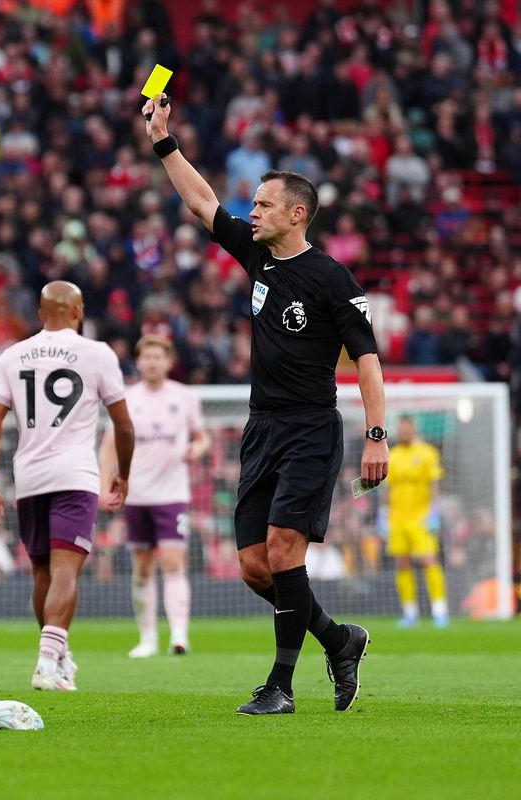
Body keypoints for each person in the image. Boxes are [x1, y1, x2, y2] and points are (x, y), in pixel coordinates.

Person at [143, 93, 388, 715]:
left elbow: (367, 359)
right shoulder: (256, 256)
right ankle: (339, 638)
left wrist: (377, 436)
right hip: (262, 428)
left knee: (283, 551)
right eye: (251, 203)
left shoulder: (333, 279)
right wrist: (163, 140)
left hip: (310, 427)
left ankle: (279, 686)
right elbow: (201, 201)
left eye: (263, 204)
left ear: (297, 214)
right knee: (257, 567)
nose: (250, 212)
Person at [0, 281, 134, 691]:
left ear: (40, 314)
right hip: (74, 475)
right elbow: (123, 423)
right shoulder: (97, 354)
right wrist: (124, 473)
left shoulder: (12, 356)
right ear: (79, 311)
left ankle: (58, 655)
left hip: (28, 477)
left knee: (42, 571)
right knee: (66, 569)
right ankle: (47, 662)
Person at [99, 334, 210, 657]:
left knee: (174, 562)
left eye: (158, 357)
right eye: (147, 357)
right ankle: (147, 638)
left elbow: (202, 437)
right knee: (142, 566)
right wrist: (104, 482)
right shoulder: (126, 399)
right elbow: (109, 444)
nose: (152, 362)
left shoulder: (184, 397)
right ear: (138, 361)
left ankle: (179, 635)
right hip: (136, 494)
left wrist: (196, 449)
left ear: (168, 361)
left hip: (172, 493)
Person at [387, 415, 448, 628]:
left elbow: (434, 484)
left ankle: (440, 610)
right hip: (397, 518)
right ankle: (410, 612)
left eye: (406, 428)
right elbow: (389, 488)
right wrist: (383, 514)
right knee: (401, 562)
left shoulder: (427, 453)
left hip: (421, 518)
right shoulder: (392, 455)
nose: (403, 432)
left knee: (428, 559)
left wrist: (434, 512)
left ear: (413, 429)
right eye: (400, 428)